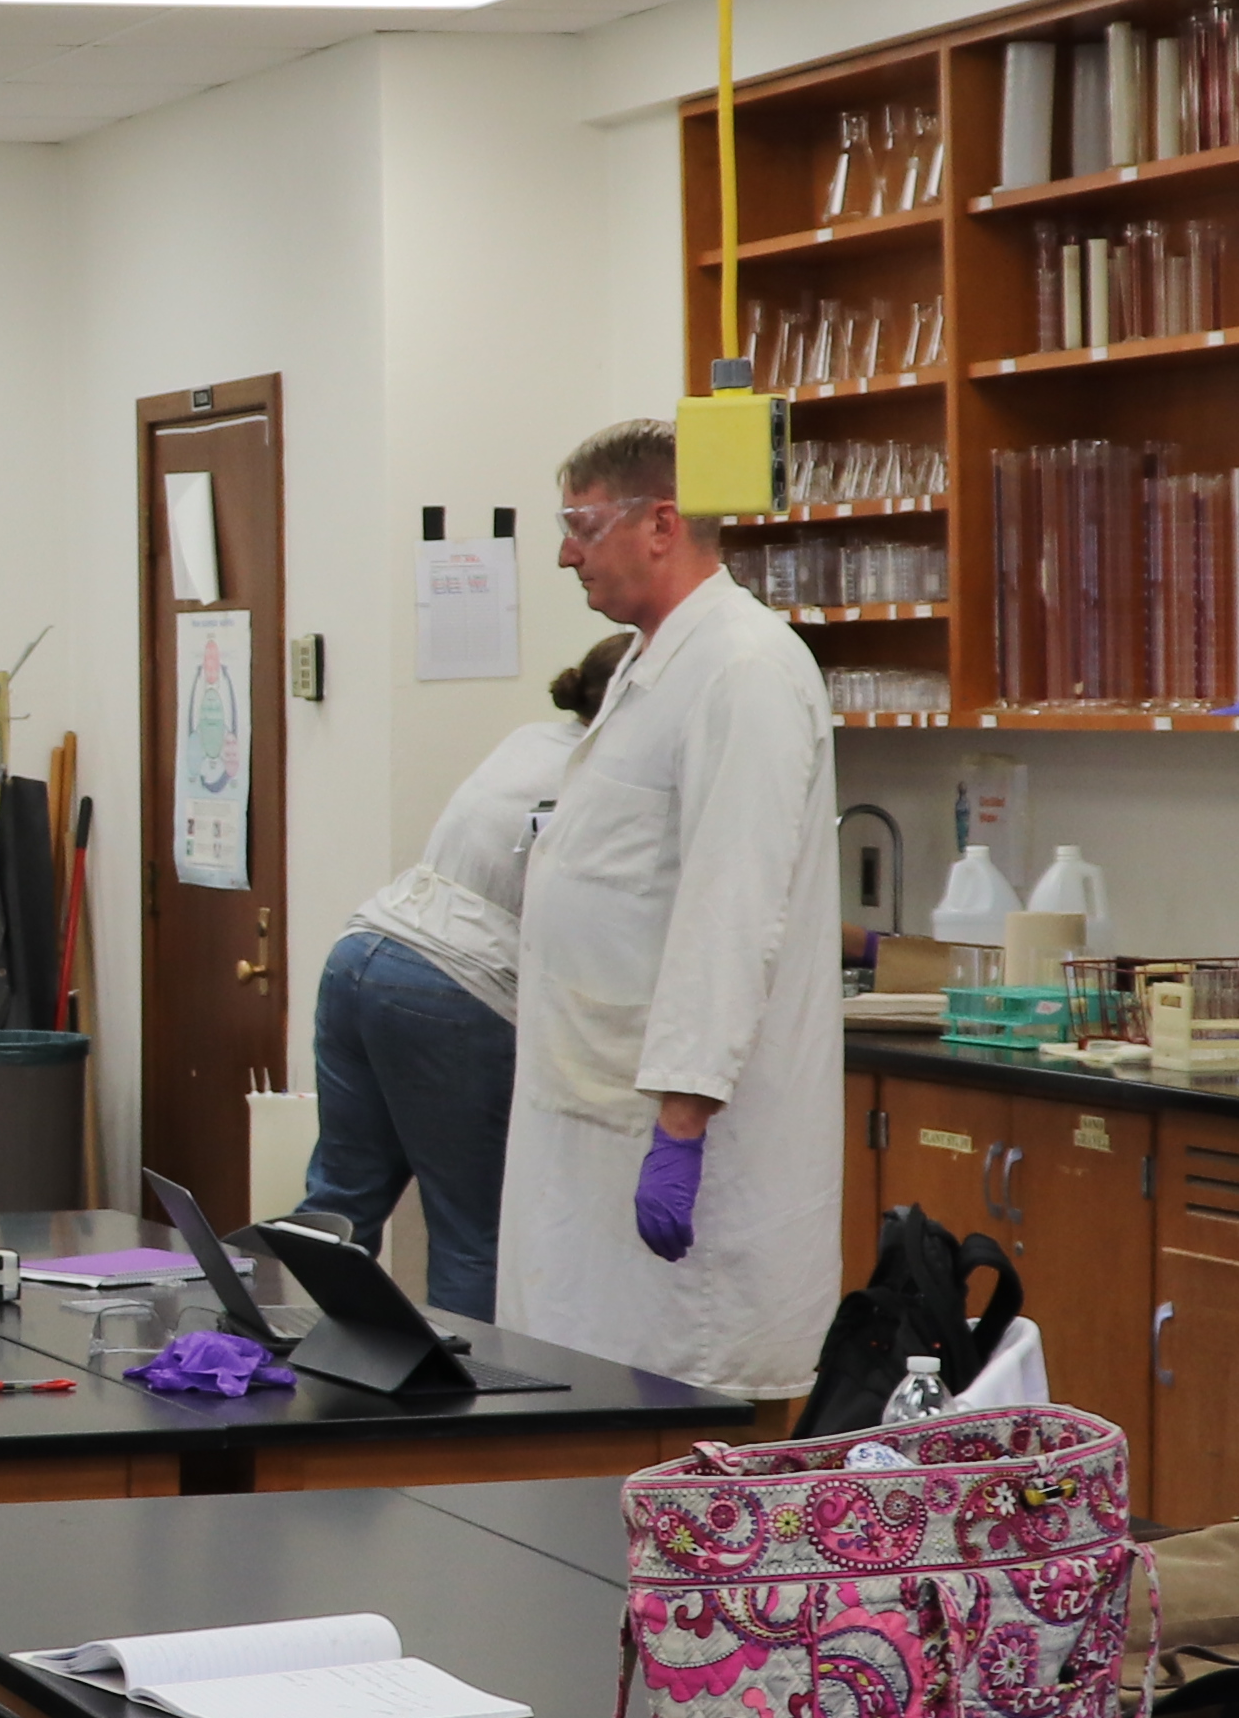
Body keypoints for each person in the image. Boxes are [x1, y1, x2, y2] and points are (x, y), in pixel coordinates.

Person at [495, 420, 846, 1400]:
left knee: (676, 1423)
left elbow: (732, 910)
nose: (566, 551)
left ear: (659, 523)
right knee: (578, 1390)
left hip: (676, 1142)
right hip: (594, 1111)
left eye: (581, 523)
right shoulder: (658, 664)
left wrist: (683, 1127)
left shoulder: (744, 669)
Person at [298, 635, 622, 1319]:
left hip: (362, 954)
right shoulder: (608, 777)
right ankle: (473, 1417)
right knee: (477, 1235)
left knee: (340, 1206)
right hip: (451, 990)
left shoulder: (531, 738)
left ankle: (292, 1372)